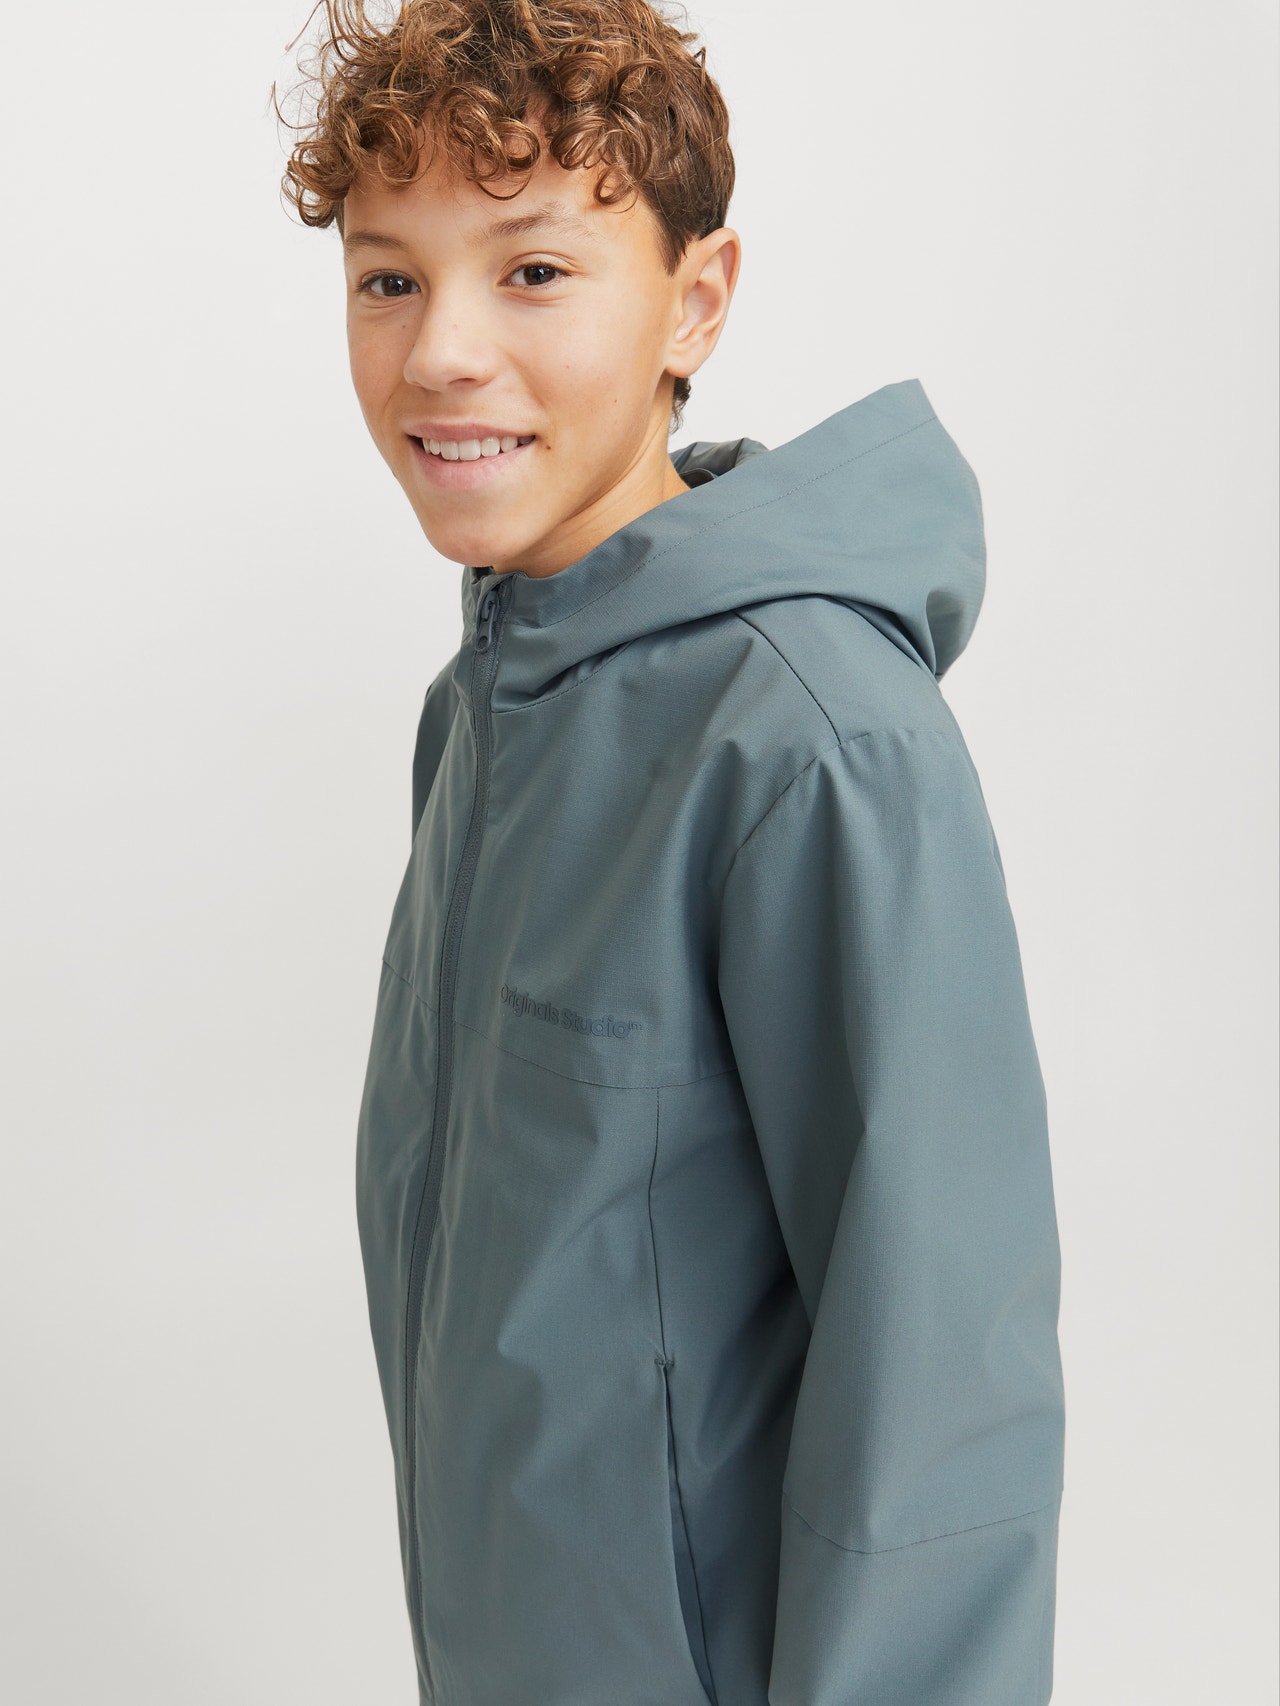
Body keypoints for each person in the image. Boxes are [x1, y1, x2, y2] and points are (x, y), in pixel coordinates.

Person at [278, 2, 1067, 1702]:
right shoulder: (482, 714)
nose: (442, 352)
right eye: (388, 276)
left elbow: (946, 1410)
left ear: (694, 302)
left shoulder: (813, 742)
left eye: (534, 271)